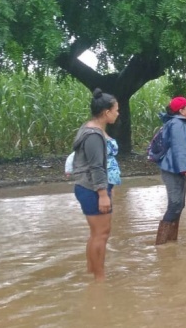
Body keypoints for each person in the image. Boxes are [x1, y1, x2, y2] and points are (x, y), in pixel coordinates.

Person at [71, 88, 119, 282]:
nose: (118, 113)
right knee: (102, 233)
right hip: (92, 188)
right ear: (106, 112)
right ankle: (100, 278)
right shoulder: (94, 135)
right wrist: (103, 193)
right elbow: (96, 166)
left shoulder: (88, 128)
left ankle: (93, 270)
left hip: (87, 187)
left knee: (96, 234)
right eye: (116, 110)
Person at [154, 96, 186, 245]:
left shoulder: (179, 122)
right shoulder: (178, 124)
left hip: (175, 167)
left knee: (179, 204)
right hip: (173, 169)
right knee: (176, 204)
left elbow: (178, 149)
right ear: (181, 110)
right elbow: (178, 149)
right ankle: (161, 244)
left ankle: (170, 242)